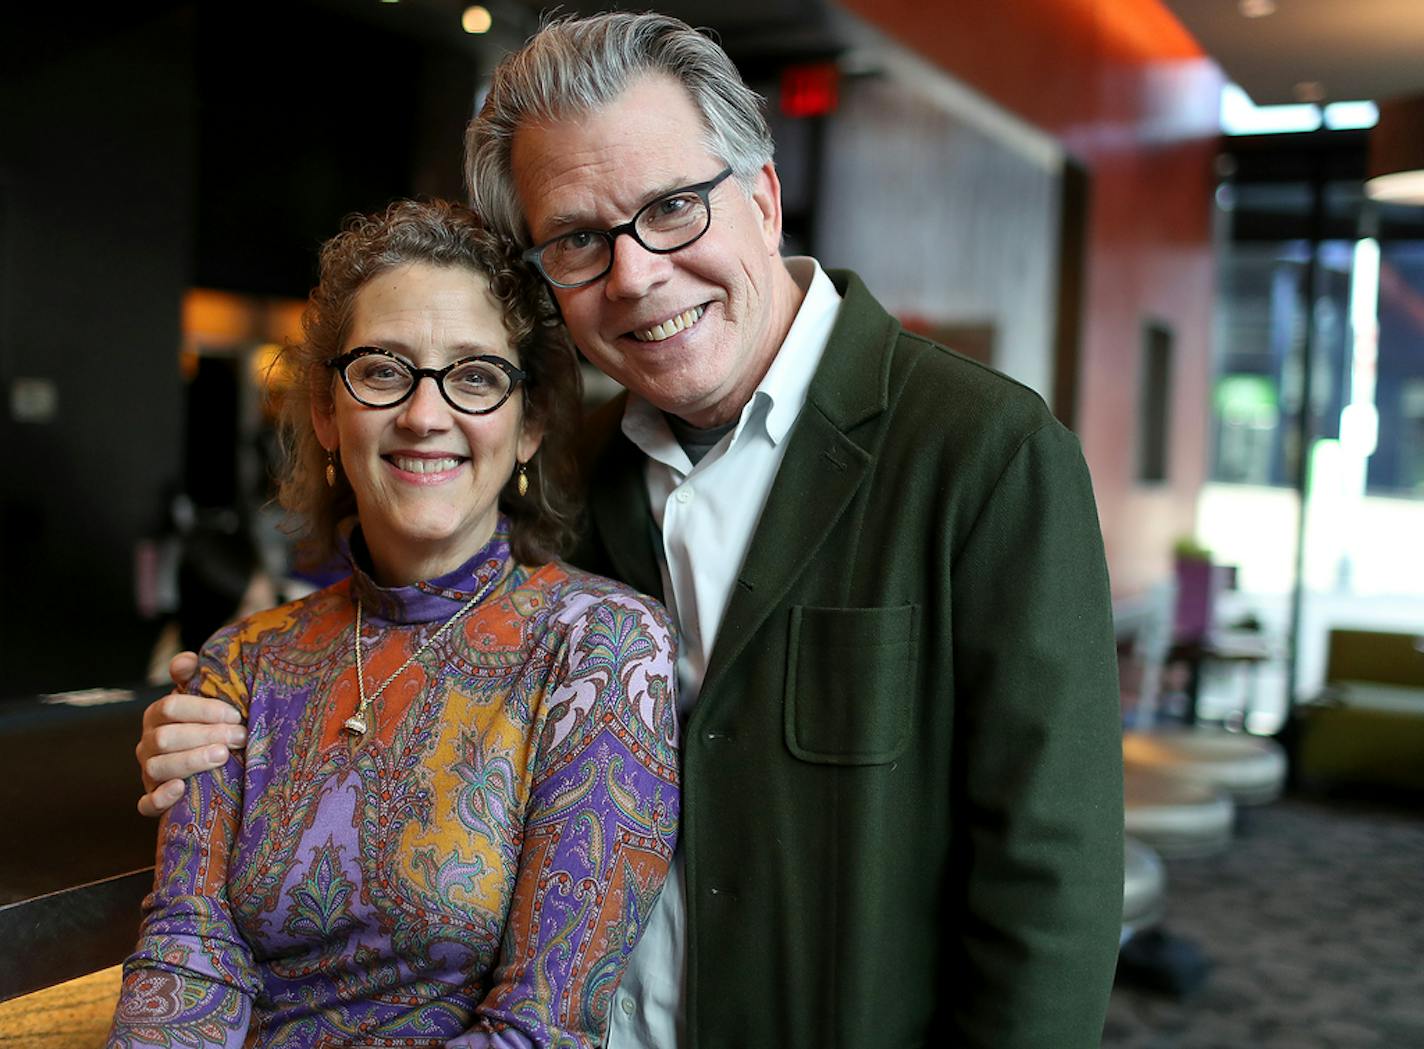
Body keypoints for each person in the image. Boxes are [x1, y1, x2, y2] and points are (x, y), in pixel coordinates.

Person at [136, 13, 1124, 1048]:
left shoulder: (982, 451)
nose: (636, 273)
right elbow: (429, 672)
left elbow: (1047, 880)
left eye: (671, 208)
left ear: (762, 194)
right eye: (576, 238)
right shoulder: (571, 469)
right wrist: (214, 737)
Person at [112, 199, 680, 1048]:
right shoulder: (245, 660)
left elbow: (541, 1027)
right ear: (325, 412)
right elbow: (189, 954)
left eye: (476, 375)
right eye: (383, 370)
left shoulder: (600, 649)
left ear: (527, 426)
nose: (425, 414)